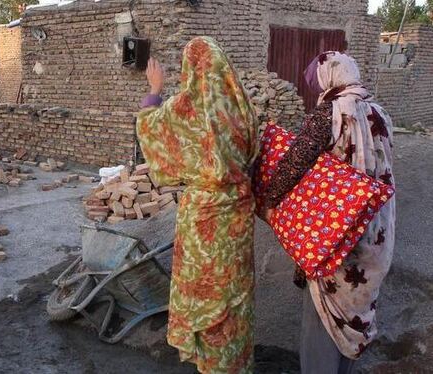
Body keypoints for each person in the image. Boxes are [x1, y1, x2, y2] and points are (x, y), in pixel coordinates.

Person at [262, 51, 396, 374]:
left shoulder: (329, 115)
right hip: (376, 232)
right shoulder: (381, 114)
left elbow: (294, 164)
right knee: (357, 310)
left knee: (324, 317)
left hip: (339, 234)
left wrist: (268, 200)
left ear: (330, 78)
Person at [137, 37, 259, 373]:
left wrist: (155, 88)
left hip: (202, 218)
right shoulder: (241, 109)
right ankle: (235, 363)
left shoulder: (186, 110)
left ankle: (208, 362)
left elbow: (150, 129)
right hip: (236, 216)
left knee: (204, 294)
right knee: (233, 296)